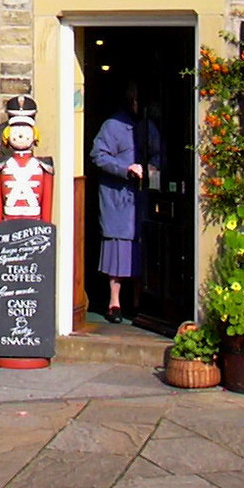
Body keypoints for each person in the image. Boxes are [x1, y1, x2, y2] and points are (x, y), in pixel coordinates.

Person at [88, 81, 162, 323]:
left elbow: (159, 153)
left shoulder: (147, 126)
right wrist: (124, 168)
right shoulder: (112, 125)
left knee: (140, 249)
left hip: (140, 197)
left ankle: (140, 303)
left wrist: (153, 167)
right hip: (117, 198)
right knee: (117, 248)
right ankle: (114, 303)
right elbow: (98, 155)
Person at [0, 96, 53, 223]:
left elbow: (47, 200)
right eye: (16, 130)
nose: (20, 135)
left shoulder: (44, 165)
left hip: (35, 221)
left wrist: (46, 227)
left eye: (26, 130)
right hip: (8, 220)